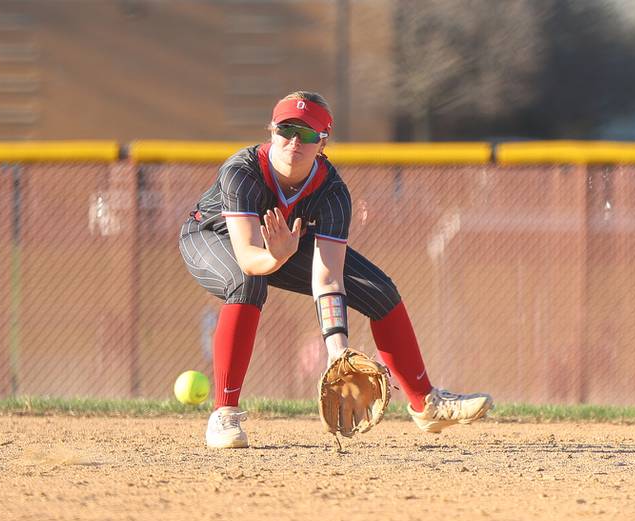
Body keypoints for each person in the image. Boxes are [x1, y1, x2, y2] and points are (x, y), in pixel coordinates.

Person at [179, 91, 493, 448]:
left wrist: (337, 353)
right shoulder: (242, 172)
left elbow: (327, 277)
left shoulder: (332, 193)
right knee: (247, 284)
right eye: (286, 129)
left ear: (323, 142)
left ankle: (427, 404)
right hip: (211, 237)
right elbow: (251, 258)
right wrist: (276, 257)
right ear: (271, 130)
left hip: (284, 244)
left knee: (379, 290)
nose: (295, 141)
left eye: (308, 134)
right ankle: (224, 414)